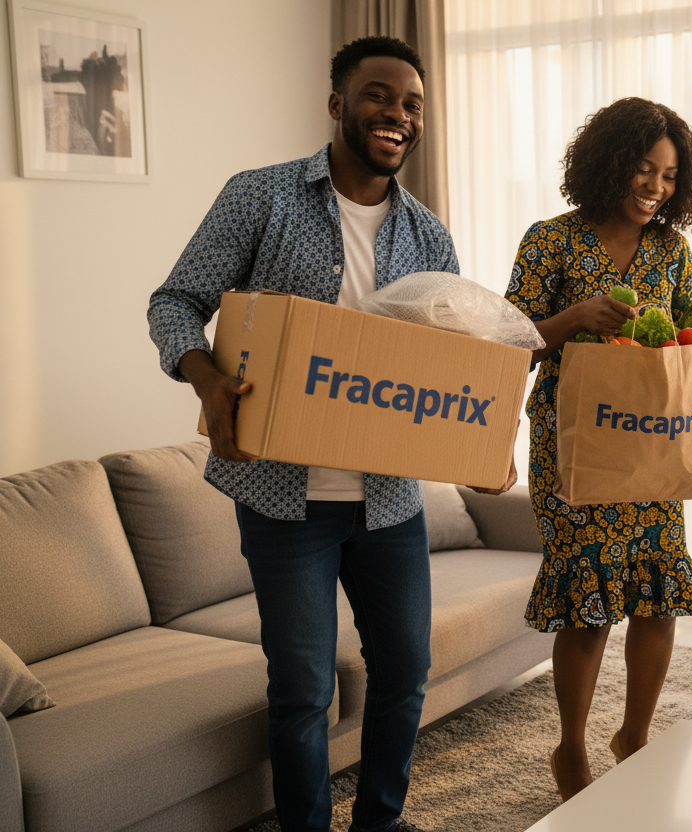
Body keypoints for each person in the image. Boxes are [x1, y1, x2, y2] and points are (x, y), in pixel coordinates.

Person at [147, 36, 511, 832]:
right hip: (284, 500)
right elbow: (174, 302)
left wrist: (486, 442)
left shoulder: (429, 235)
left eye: (412, 104)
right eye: (380, 96)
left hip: (388, 502)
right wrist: (207, 382)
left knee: (405, 674)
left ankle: (379, 822)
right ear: (338, 104)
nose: (398, 116)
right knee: (304, 687)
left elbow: (451, 368)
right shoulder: (261, 198)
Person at [504, 97, 692, 801]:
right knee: (588, 601)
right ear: (607, 162)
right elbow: (509, 346)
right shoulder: (550, 241)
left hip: (651, 444)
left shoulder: (671, 250)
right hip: (572, 453)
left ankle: (635, 734)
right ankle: (570, 746)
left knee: (657, 594)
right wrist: (574, 317)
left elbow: (685, 347)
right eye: (643, 168)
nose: (656, 186)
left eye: (668, 175)